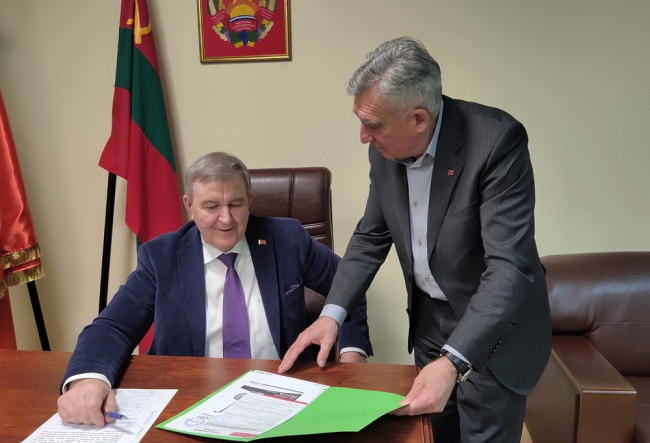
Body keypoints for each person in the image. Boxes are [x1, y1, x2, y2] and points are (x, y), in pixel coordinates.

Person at [279, 37, 551, 442]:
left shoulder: (496, 141)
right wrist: (330, 316)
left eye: (372, 124)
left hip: (492, 327)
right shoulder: (383, 150)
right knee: (432, 433)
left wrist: (454, 361)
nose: (362, 136)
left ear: (419, 119)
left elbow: (509, 267)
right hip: (429, 322)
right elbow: (370, 237)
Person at [58, 152, 372, 428]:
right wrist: (88, 379)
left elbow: (349, 286)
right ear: (189, 206)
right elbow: (113, 327)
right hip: (190, 402)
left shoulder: (288, 239)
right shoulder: (161, 257)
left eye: (235, 204)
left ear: (250, 200)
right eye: (211, 206)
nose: (226, 218)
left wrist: (351, 355)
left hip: (281, 395)